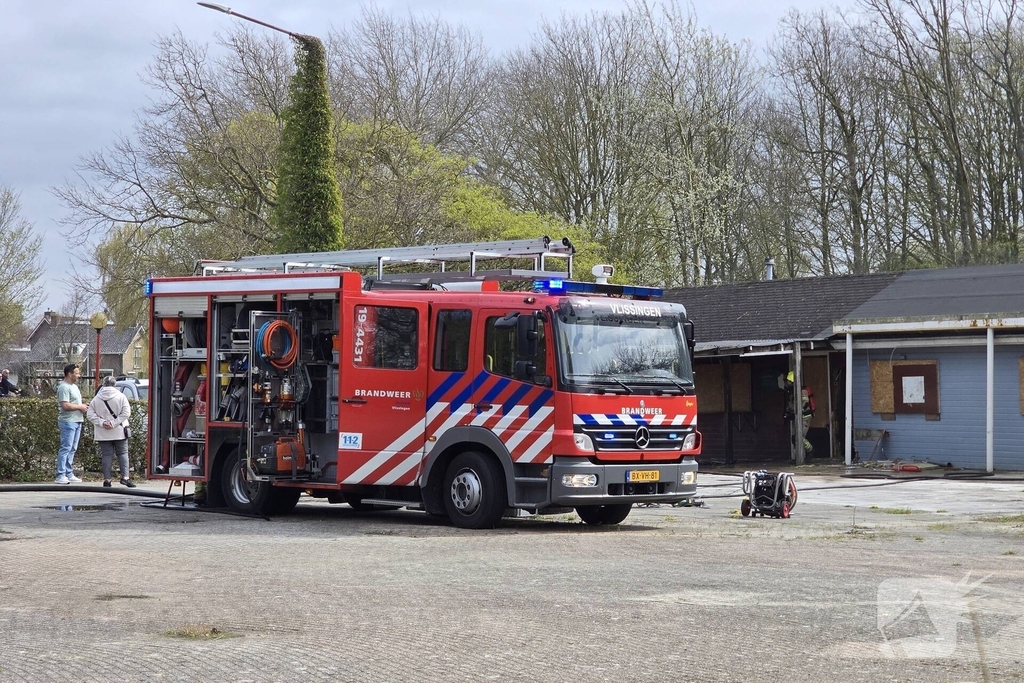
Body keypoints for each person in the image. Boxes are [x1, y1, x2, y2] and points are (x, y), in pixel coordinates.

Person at [87, 375, 136, 488]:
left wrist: (102, 422)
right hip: (119, 430)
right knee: (123, 453)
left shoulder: (97, 398)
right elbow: (126, 413)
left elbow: (90, 415)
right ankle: (125, 478)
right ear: (115, 384)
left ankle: (107, 480)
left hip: (102, 432)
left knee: (107, 455)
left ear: (103, 384)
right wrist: (114, 423)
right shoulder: (121, 396)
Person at [55, 363, 89, 485]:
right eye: (77, 373)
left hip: (77, 420)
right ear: (70, 374)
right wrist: (80, 406)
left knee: (72, 448)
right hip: (68, 421)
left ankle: (68, 473)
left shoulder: (74, 387)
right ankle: (60, 474)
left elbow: (73, 403)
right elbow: (65, 405)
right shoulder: (64, 387)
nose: (79, 375)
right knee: (66, 448)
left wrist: (82, 406)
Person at [782, 371, 815, 459]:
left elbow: (804, 404)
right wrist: (788, 414)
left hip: (805, 417)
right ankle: (797, 458)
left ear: (793, 382)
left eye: (788, 382)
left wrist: (796, 412)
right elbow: (791, 405)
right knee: (794, 438)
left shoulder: (802, 391)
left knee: (799, 437)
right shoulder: (792, 393)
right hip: (797, 417)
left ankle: (810, 450)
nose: (787, 384)